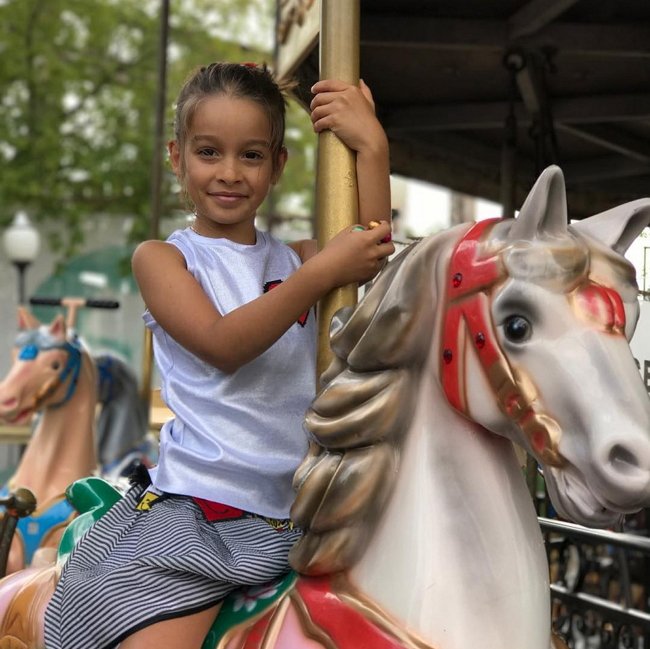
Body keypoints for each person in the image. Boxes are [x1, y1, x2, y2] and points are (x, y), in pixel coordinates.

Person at [44, 62, 393, 649]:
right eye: (209, 153)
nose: (229, 174)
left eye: (251, 156)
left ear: (278, 165)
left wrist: (373, 146)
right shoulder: (164, 259)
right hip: (201, 513)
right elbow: (223, 346)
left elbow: (370, 245)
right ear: (176, 157)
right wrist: (319, 274)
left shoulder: (300, 259)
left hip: (298, 511)